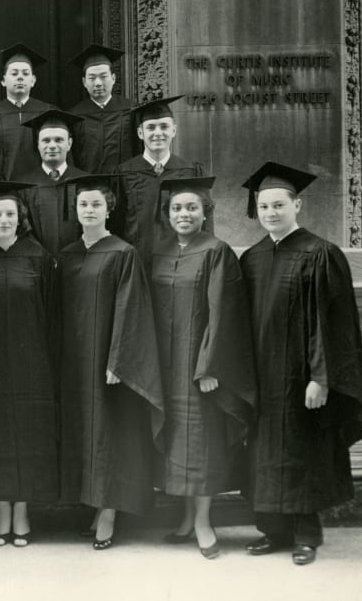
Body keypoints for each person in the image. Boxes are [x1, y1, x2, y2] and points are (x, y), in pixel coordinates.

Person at [239, 162, 362, 566]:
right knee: (264, 452)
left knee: (303, 452)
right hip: (262, 377)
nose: (271, 213)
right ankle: (272, 531)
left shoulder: (321, 254)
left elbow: (334, 327)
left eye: (279, 205)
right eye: (264, 207)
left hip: (301, 378)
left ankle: (306, 535)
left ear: (298, 205)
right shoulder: (253, 258)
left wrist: (321, 377)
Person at [150, 176, 257, 560]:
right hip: (164, 366)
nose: (183, 214)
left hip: (199, 369)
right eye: (176, 208)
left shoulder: (217, 251)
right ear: (167, 214)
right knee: (176, 442)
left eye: (191, 207)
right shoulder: (158, 253)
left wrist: (210, 365)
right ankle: (183, 516)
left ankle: (203, 521)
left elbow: (222, 313)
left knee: (201, 443)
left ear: (205, 213)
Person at [56, 174, 163, 550]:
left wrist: (118, 360)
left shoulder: (122, 253)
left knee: (108, 433)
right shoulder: (67, 254)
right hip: (74, 362)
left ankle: (108, 511)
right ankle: (93, 503)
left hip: (105, 362)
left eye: (96, 204)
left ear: (109, 209)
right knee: (85, 431)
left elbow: (130, 309)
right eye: (83, 204)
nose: (88, 210)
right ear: (76, 209)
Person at [0, 180, 59, 547]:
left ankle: (22, 512)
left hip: (31, 362)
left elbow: (51, 313)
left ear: (21, 219)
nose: (3, 220)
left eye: (9, 214)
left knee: (27, 434)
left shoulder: (38, 255)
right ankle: (2, 509)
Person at [116, 95, 204, 271]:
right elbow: (116, 223)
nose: (158, 133)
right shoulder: (123, 173)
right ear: (141, 133)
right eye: (151, 127)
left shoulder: (190, 172)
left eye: (164, 126)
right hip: (136, 264)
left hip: (181, 266)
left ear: (174, 130)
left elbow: (204, 224)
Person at [15, 109, 88, 257]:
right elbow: (22, 231)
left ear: (69, 143)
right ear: (38, 145)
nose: (52, 145)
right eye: (46, 140)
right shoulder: (23, 186)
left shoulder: (85, 182)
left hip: (80, 264)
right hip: (36, 265)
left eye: (59, 140)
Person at [0, 43, 54, 179]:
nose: (20, 77)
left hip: (41, 190)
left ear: (33, 80)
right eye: (14, 73)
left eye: (25, 73)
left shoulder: (48, 112)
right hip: (4, 193)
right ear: (3, 81)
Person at [67, 44, 135, 174]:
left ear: (113, 78)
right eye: (92, 78)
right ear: (84, 82)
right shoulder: (74, 116)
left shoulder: (131, 110)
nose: (98, 83)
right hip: (88, 187)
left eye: (103, 76)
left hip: (125, 185)